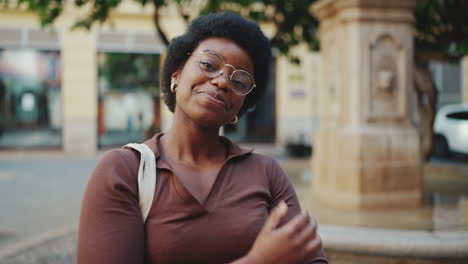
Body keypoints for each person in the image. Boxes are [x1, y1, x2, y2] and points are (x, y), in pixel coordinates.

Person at [77, 11, 328, 264]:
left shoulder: (267, 173)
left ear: (241, 104)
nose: (222, 81)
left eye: (239, 80)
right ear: (176, 75)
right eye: (209, 65)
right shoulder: (125, 171)